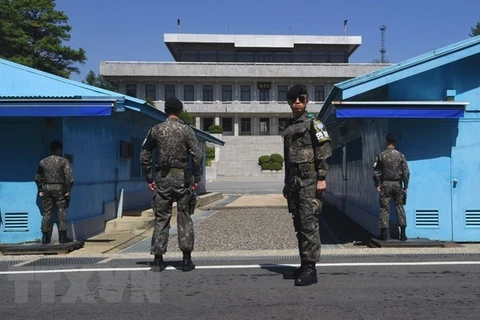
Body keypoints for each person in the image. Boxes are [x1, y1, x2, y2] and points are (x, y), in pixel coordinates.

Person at [140, 97, 202, 272]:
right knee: (184, 217)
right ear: (180, 111)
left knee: (161, 218)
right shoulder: (186, 130)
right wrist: (197, 177)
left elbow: (144, 153)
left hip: (162, 179)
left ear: (166, 111)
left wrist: (149, 177)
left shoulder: (156, 130)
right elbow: (197, 155)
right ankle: (186, 260)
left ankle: (158, 260)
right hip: (182, 179)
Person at [282, 84, 332, 286]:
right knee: (299, 225)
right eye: (294, 100)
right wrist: (286, 184)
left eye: (301, 99)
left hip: (310, 181)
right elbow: (288, 159)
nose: (297, 103)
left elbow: (324, 151)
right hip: (294, 183)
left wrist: (321, 177)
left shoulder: (315, 123)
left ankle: (311, 268)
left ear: (306, 101)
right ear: (289, 102)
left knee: (309, 223)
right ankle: (303, 264)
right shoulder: (289, 127)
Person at [34, 140, 74, 244]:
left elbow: (38, 177)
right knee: (61, 211)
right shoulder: (63, 161)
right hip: (60, 188)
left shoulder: (43, 162)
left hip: (47, 188)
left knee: (47, 212)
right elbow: (69, 177)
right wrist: (68, 190)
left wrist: (40, 189)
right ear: (59, 149)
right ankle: (62, 237)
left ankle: (45, 237)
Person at [373, 133, 410, 241]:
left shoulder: (381, 155)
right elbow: (406, 172)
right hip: (398, 184)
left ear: (386, 141)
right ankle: (402, 234)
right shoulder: (400, 155)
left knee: (384, 209)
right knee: (400, 207)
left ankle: (384, 234)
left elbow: (376, 172)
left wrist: (377, 184)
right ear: (394, 142)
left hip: (385, 185)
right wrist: (405, 185)